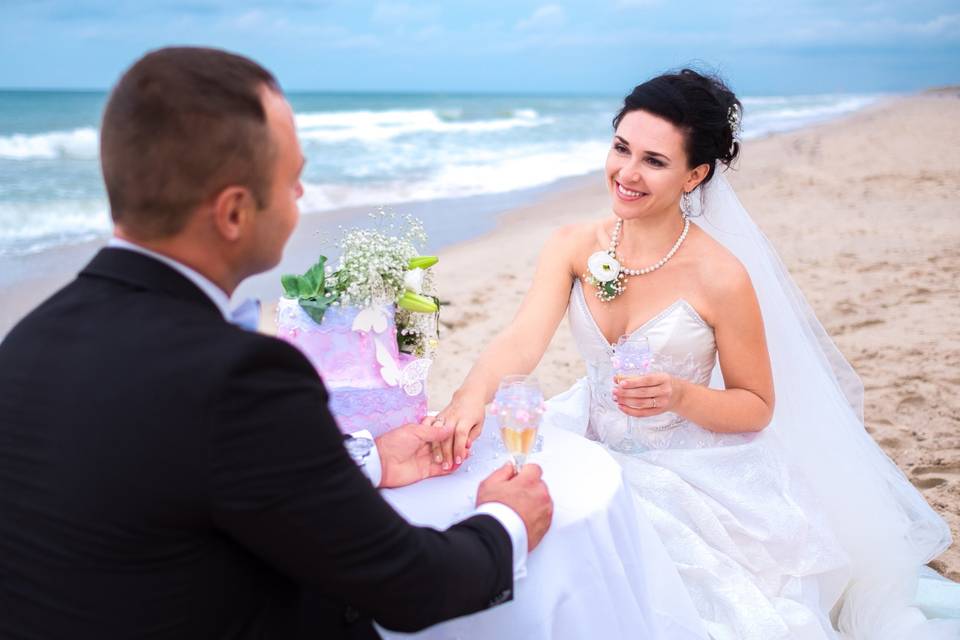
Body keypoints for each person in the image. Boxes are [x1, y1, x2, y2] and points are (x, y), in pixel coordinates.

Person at [0, 47, 553, 640]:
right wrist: (506, 522)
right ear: (235, 212)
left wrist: (366, 460)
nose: (301, 196)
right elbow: (409, 585)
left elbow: (172, 478)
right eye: (292, 181)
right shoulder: (242, 377)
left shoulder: (25, 344)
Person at [436, 69, 960, 638]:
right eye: (621, 148)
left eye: (654, 162)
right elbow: (520, 341)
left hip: (688, 469)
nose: (627, 174)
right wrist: (468, 397)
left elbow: (756, 404)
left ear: (695, 175)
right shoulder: (571, 245)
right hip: (589, 434)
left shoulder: (722, 277)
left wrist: (680, 395)